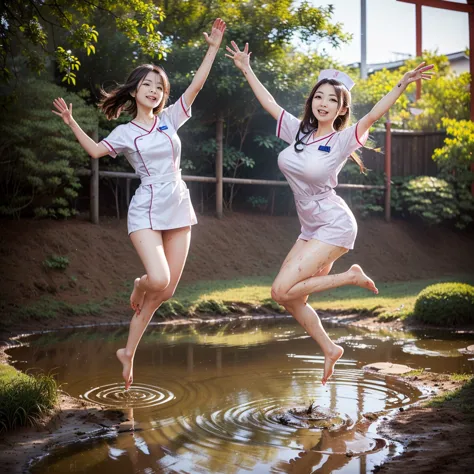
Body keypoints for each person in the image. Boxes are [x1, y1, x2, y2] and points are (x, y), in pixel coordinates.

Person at [226, 41, 433, 385]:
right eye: (319, 97)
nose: (324, 103)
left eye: (332, 100)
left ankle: (351, 276)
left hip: (334, 224)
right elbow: (270, 104)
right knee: (293, 299)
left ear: (340, 109)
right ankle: (330, 349)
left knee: (280, 291)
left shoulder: (342, 139)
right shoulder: (299, 132)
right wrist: (246, 67)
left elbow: (373, 115)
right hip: (310, 227)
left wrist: (403, 83)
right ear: (312, 101)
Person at [52, 18, 227, 390]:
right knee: (156, 280)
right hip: (146, 210)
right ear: (134, 92)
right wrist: (71, 122)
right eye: (146, 85)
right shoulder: (126, 133)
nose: (153, 90)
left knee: (165, 293)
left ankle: (128, 353)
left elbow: (196, 86)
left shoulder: (170, 120)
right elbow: (97, 152)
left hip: (179, 205)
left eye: (159, 86)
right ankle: (137, 282)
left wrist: (212, 47)